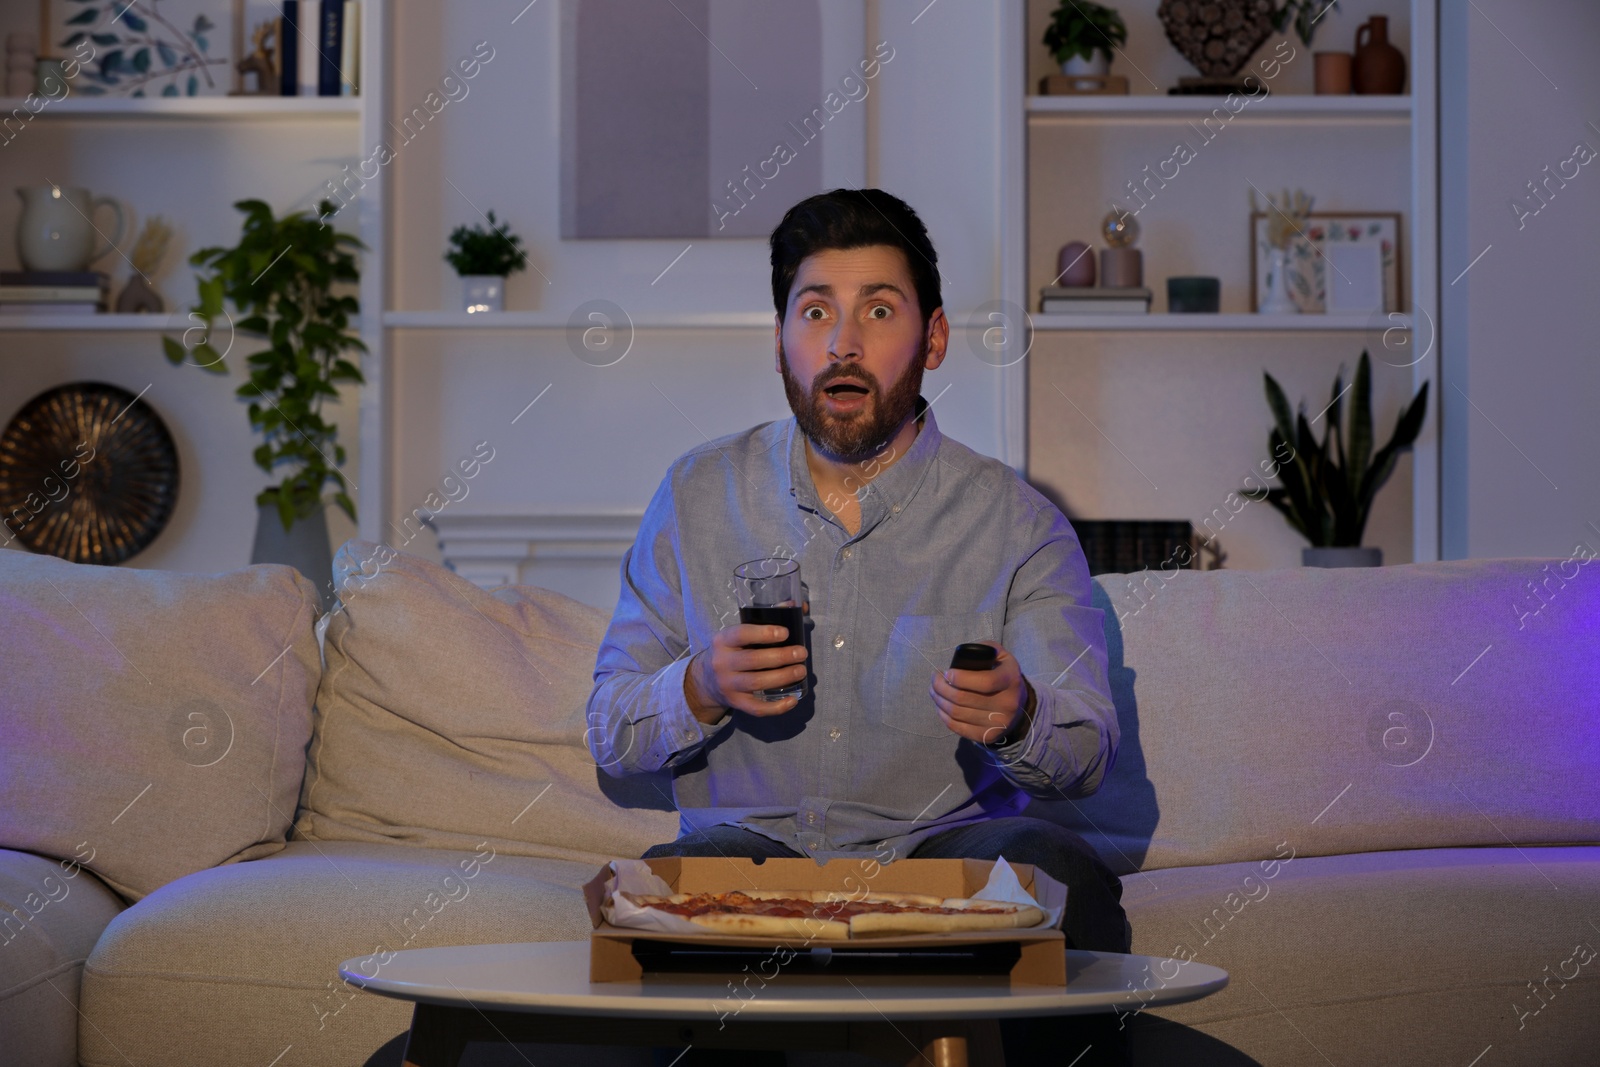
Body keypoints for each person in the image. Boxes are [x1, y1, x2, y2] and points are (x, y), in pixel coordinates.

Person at [586, 188, 1132, 1066]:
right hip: (750, 854)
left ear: (935, 338)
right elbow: (609, 729)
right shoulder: (695, 494)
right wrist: (701, 685)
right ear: (779, 343)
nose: (844, 343)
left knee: (1055, 869)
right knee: (659, 893)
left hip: (945, 854)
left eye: (879, 310)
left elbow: (1089, 748)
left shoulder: (1018, 523)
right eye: (816, 312)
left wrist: (1022, 713)